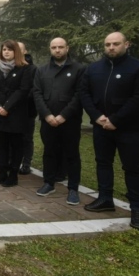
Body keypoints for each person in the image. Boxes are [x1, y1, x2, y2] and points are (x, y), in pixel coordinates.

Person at [79, 32, 139, 230]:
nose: (111, 47)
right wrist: (97, 116)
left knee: (134, 168)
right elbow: (84, 93)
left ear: (127, 44)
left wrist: (116, 119)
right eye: (107, 44)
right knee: (103, 163)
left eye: (116, 44)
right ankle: (105, 198)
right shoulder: (94, 69)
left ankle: (138, 210)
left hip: (130, 128)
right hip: (101, 126)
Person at [32, 37, 85, 204]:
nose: (57, 50)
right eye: (54, 47)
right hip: (48, 121)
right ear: (50, 49)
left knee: (72, 154)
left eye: (60, 47)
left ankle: (73, 189)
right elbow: (37, 94)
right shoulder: (42, 70)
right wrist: (47, 115)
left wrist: (63, 116)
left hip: (70, 121)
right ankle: (49, 183)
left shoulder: (79, 69)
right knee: (49, 152)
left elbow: (79, 95)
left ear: (67, 48)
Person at [0, 40, 35, 188]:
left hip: (15, 112)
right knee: (2, 143)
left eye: (9, 49)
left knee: (16, 144)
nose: (6, 52)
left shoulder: (25, 68)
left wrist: (7, 107)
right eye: (4, 49)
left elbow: (23, 90)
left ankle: (13, 174)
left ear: (16, 52)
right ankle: (2, 171)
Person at [18, 41, 38, 175]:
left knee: (26, 138)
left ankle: (26, 163)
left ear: (25, 51)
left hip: (27, 109)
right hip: (11, 110)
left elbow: (35, 88)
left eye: (20, 49)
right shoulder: (8, 67)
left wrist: (20, 97)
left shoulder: (33, 69)